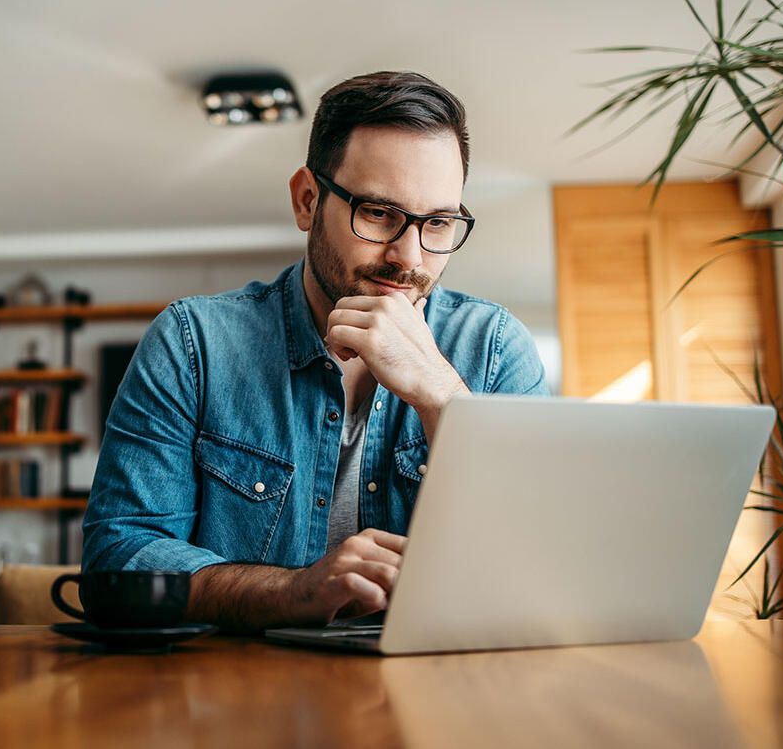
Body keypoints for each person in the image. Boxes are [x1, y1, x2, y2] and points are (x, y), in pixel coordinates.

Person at [82, 71, 547, 630]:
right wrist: (292, 591)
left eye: (439, 223)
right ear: (307, 201)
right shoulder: (193, 344)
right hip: (237, 699)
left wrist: (442, 398)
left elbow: (544, 570)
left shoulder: (495, 349)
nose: (410, 256)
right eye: (378, 213)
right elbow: (119, 560)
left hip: (437, 697)